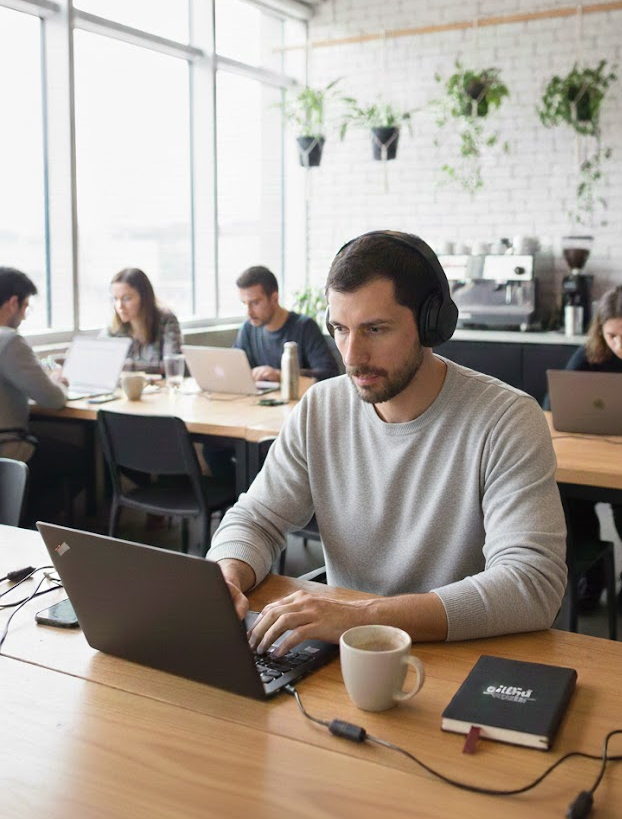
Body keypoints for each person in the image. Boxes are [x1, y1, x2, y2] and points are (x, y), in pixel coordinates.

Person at [208, 231, 567, 655]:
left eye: (375, 329)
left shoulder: (506, 419)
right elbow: (256, 519)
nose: (352, 356)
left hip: (456, 653)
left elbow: (531, 583)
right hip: (344, 652)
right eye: (340, 329)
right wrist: (227, 578)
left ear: (432, 324)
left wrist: (362, 618)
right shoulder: (321, 407)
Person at [544, 286, 622, 610]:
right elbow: (553, 404)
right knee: (571, 506)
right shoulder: (592, 352)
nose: (619, 345)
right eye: (613, 335)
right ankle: (592, 579)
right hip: (592, 456)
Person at [0, 267, 82, 525]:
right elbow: (54, 400)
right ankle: (34, 527)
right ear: (13, 303)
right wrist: (59, 382)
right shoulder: (9, 340)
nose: (24, 316)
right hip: (8, 451)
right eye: (26, 307)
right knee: (81, 462)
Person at [234, 266, 340, 383]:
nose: (248, 312)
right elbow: (235, 369)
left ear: (274, 298)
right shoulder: (247, 329)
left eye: (255, 303)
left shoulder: (304, 326)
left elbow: (330, 374)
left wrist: (281, 375)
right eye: (245, 304)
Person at [101, 267, 182, 374]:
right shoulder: (114, 328)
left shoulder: (166, 320)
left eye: (126, 298)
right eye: (115, 299)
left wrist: (123, 366)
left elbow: (171, 364)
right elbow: (100, 360)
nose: (119, 306)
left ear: (144, 298)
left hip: (160, 389)